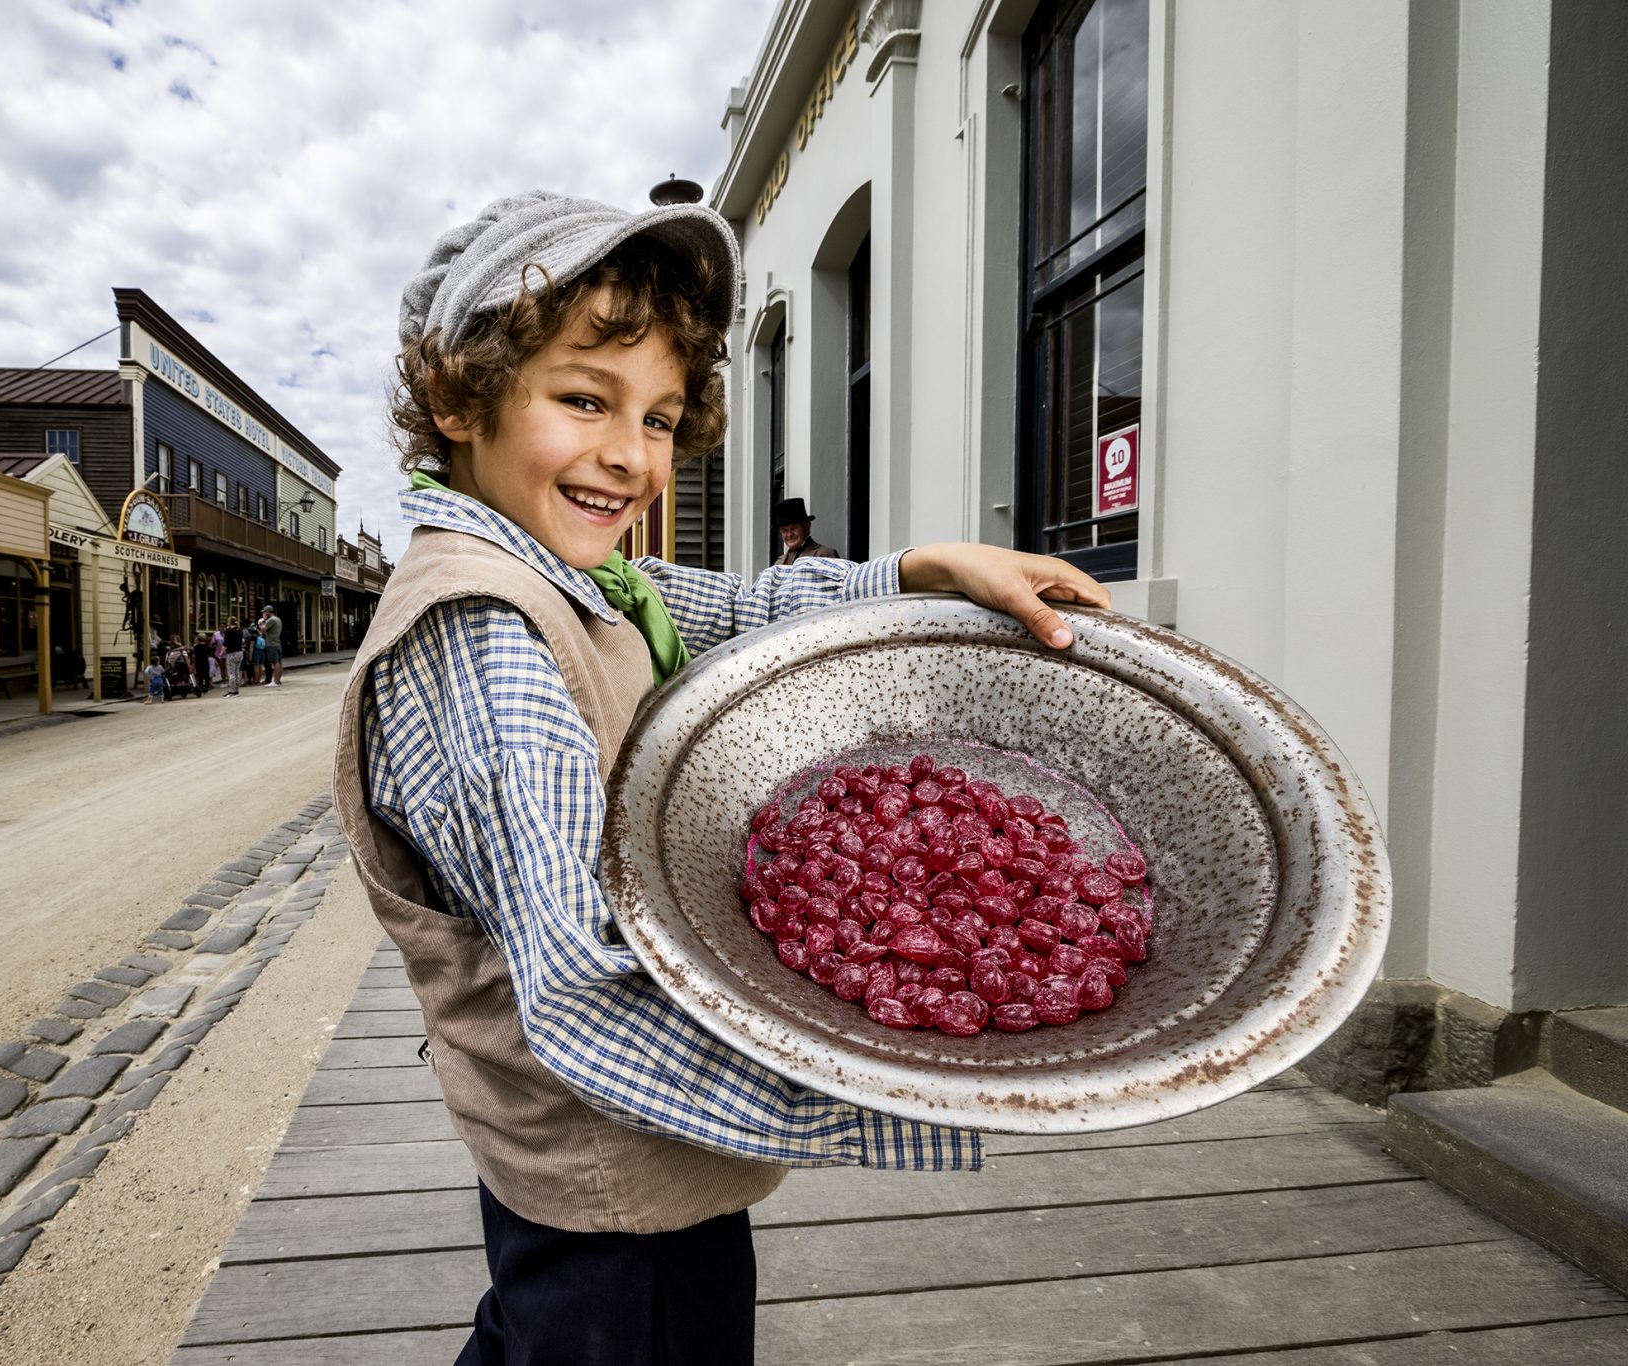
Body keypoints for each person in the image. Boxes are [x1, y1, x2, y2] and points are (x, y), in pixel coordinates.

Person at [335, 191, 1112, 1366]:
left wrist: (914, 569)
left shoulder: (576, 578)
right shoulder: (483, 632)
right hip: (602, 1162)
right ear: (455, 396)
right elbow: (586, 979)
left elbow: (744, 613)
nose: (627, 456)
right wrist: (919, 1054)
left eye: (655, 416)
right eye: (582, 399)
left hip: (646, 1156)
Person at [774, 495, 839, 564]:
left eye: (793, 528)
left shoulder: (824, 555)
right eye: (785, 530)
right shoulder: (779, 563)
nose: (789, 534)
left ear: (807, 527)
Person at [258, 604, 284, 686]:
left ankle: (275, 681)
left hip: (271, 644)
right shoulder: (278, 619)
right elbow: (267, 632)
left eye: (264, 613)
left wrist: (262, 621)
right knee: (279, 662)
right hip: (277, 643)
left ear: (268, 613)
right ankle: (278, 680)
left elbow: (262, 630)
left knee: (275, 662)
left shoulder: (271, 620)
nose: (264, 614)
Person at [222, 617, 247, 697]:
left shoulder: (228, 631)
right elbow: (242, 641)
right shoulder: (240, 631)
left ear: (229, 622)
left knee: (231, 673)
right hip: (239, 653)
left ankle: (232, 691)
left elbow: (225, 644)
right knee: (237, 672)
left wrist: (221, 653)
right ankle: (236, 690)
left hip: (231, 653)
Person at [191, 632, 215, 699]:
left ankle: (201, 686)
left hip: (198, 662)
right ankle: (206, 686)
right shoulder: (206, 646)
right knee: (206, 674)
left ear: (198, 639)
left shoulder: (196, 647)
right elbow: (209, 654)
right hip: (205, 662)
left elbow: (194, 656)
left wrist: (193, 663)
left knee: (200, 675)